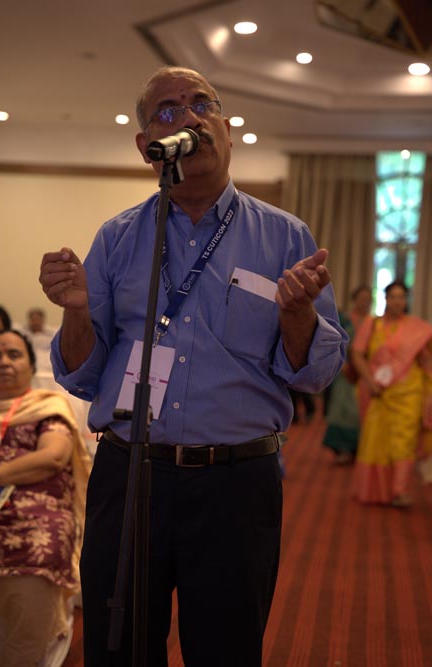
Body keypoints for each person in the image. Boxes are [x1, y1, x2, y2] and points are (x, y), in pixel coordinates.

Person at [39, 66, 347, 667]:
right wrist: (76, 312)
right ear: (147, 146)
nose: (190, 118)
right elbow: (81, 375)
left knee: (226, 650)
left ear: (227, 130)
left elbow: (315, 375)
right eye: (168, 110)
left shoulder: (285, 237)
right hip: (129, 475)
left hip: (235, 484)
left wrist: (297, 316)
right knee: (118, 648)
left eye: (202, 104)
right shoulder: (117, 238)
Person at [0, 330, 91, 667]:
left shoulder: (48, 407)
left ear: (31, 365)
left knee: (42, 544)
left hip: (33, 521)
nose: (4, 362)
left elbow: (53, 457)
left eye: (14, 354)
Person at [351, 281, 432, 507]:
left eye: (401, 297)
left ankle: (400, 490)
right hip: (378, 392)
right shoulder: (372, 324)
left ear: (407, 301)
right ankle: (377, 491)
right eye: (393, 297)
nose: (397, 301)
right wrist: (369, 381)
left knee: (403, 441)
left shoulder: (417, 330)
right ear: (385, 299)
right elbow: (357, 354)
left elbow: (425, 361)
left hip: (409, 392)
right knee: (376, 440)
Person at [322, 285, 372, 463]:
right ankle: (341, 449)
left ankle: (357, 449)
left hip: (365, 372)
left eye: (368, 299)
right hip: (345, 371)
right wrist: (342, 364)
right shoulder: (344, 319)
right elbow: (334, 342)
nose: (364, 302)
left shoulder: (374, 322)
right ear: (354, 299)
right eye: (361, 298)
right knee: (342, 409)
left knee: (360, 411)